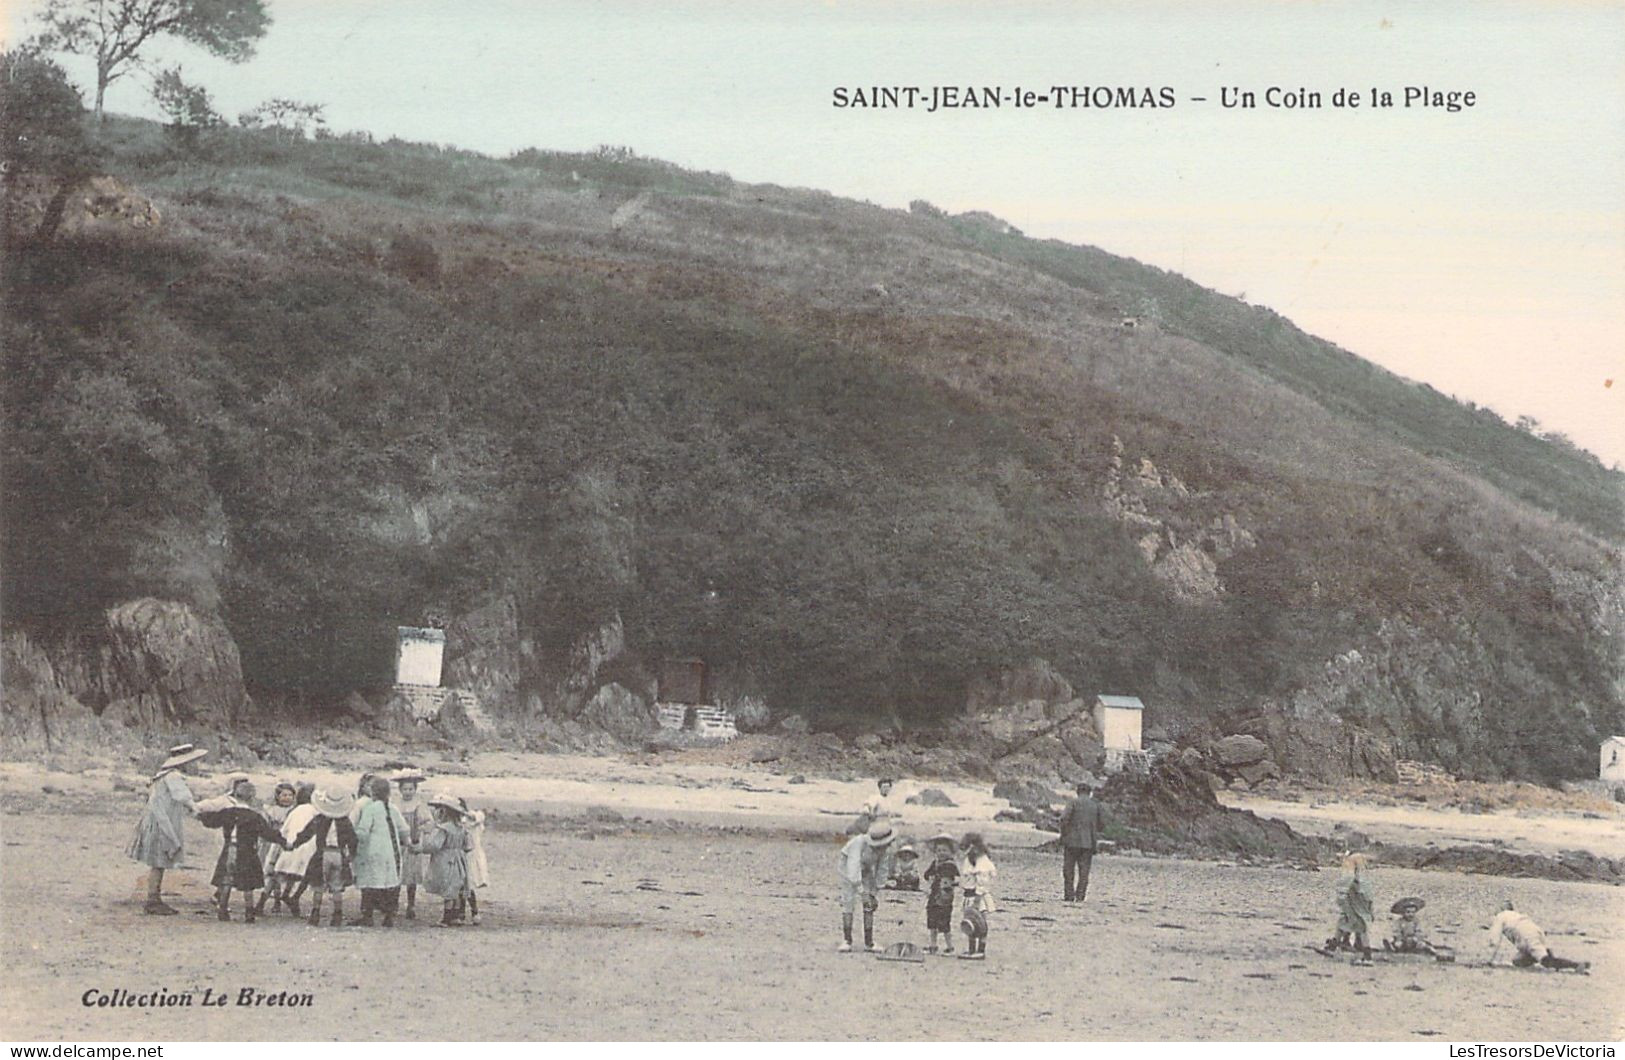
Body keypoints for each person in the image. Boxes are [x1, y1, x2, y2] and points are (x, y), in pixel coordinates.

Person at [126, 742, 207, 915]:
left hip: (159, 818)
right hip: (161, 821)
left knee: (158, 860)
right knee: (159, 860)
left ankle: (154, 897)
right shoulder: (173, 776)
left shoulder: (164, 776)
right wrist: (196, 809)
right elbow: (182, 796)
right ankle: (153, 899)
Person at [198, 778, 289, 923]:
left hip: (229, 849)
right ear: (252, 798)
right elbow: (267, 833)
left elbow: (210, 821)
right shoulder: (255, 817)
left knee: (226, 881)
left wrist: (199, 814)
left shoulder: (227, 812)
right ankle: (249, 913)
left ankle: (223, 911)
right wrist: (283, 842)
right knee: (248, 885)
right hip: (247, 851)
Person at [288, 790, 358, 928]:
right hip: (338, 853)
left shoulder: (319, 819)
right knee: (337, 887)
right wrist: (352, 854)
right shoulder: (345, 821)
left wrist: (294, 844)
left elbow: (306, 833)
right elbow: (353, 839)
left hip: (322, 853)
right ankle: (337, 915)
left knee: (318, 886)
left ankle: (315, 913)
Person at [351, 776, 408, 926]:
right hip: (391, 850)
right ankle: (388, 916)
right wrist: (406, 842)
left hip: (373, 849)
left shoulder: (370, 809)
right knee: (389, 881)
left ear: (373, 792)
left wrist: (354, 842)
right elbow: (404, 828)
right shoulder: (393, 808)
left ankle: (367, 916)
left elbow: (363, 831)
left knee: (370, 882)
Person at [836, 819, 897, 953]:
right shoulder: (858, 844)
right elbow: (853, 869)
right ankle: (847, 940)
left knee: (869, 905)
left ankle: (869, 942)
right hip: (847, 866)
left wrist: (873, 893)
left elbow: (882, 870)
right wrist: (862, 892)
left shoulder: (884, 850)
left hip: (866, 869)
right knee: (848, 901)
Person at [416, 793, 474, 927]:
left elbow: (435, 845)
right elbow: (469, 846)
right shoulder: (462, 828)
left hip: (446, 860)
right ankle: (456, 915)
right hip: (459, 860)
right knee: (455, 887)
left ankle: (446, 918)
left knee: (447, 888)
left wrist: (423, 845)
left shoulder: (443, 829)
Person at [261, 781, 318, 916]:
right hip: (306, 848)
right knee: (306, 876)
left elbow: (285, 829)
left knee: (277, 875)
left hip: (289, 846)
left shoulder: (295, 811)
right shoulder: (315, 812)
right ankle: (292, 896)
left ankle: (260, 903)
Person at [1487, 901, 1589, 972]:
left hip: (1527, 937)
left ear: (1502, 909)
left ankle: (1576, 965)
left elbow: (1495, 939)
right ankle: (1546, 956)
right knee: (1517, 961)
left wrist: (1489, 961)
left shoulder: (1501, 916)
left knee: (1546, 962)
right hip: (1536, 931)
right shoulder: (1517, 915)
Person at [393, 769, 432, 920]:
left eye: (410, 789)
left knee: (412, 877)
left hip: (413, 843)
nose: (408, 792)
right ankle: (393, 904)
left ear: (415, 789)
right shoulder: (396, 804)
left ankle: (411, 905)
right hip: (398, 843)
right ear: (400, 790)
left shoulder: (419, 804)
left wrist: (420, 829)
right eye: (405, 789)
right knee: (396, 875)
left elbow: (428, 822)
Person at [1058, 780, 1105, 902]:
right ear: (1089, 793)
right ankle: (1080, 897)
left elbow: (1063, 819)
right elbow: (1101, 825)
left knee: (1068, 871)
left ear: (1078, 792)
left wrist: (1063, 835)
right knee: (1084, 873)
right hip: (1088, 843)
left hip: (1071, 843)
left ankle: (1069, 896)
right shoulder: (1095, 805)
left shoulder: (1073, 802)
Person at [1326, 852, 1376, 964]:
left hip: (1355, 910)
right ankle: (1336, 945)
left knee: (1355, 929)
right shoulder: (1361, 882)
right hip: (1354, 910)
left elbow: (1364, 897)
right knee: (1344, 926)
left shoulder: (1355, 882)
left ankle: (1366, 956)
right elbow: (1368, 899)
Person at [958, 832, 997, 960]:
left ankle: (981, 950)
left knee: (981, 923)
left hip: (978, 896)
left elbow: (983, 882)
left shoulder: (982, 861)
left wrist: (977, 898)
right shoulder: (968, 860)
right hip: (968, 894)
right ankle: (971, 949)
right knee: (970, 922)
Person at [922, 833, 960, 955]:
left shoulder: (950, 865)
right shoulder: (935, 863)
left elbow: (953, 878)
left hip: (945, 897)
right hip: (933, 896)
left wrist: (938, 877)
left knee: (944, 922)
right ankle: (933, 945)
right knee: (932, 921)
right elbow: (926, 874)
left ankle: (950, 947)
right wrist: (930, 876)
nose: (941, 852)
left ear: (950, 852)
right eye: (938, 850)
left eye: (944, 850)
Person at [459, 796, 489, 925]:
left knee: (467, 884)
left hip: (471, 856)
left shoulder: (471, 821)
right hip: (460, 855)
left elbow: (480, 816)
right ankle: (462, 911)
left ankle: (473, 911)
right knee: (460, 885)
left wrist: (468, 815)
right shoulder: (457, 823)